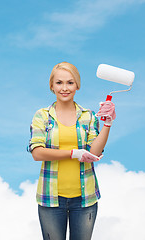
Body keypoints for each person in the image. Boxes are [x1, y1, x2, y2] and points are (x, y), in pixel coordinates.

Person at [27, 62, 116, 240]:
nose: (65, 88)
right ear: (52, 85)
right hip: (51, 199)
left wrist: (107, 123)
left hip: (85, 200)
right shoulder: (42, 116)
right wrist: (73, 153)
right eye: (59, 83)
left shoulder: (88, 116)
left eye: (70, 82)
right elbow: (37, 152)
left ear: (77, 85)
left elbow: (95, 153)